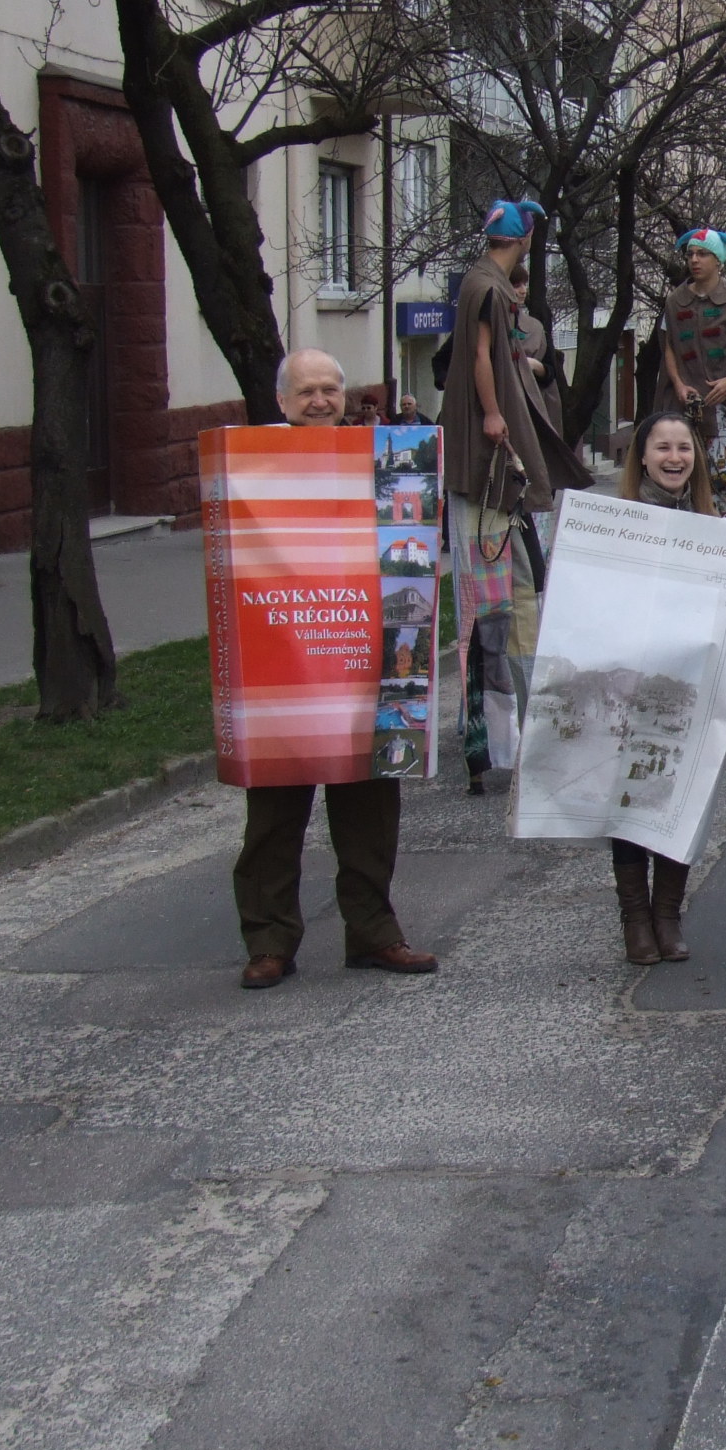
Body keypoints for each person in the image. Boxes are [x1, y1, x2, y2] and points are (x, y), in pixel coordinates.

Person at [236, 350, 440, 989]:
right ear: (282, 401)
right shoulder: (252, 463)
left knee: (370, 807)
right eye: (306, 391)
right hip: (284, 660)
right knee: (274, 812)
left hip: (362, 654)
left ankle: (374, 934)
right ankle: (269, 942)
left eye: (330, 389)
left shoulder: (376, 458)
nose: (320, 400)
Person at [442, 198, 592, 794]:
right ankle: (496, 741)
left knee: (522, 597)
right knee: (494, 608)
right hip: (489, 470)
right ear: (524, 238)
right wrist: (493, 414)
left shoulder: (487, 284)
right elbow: (480, 356)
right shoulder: (488, 288)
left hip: (503, 476)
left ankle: (527, 736)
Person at [606, 409, 724, 965]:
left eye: (684, 448)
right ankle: (635, 918)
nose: (675, 458)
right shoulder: (615, 523)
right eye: (663, 448)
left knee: (683, 795)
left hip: (692, 686)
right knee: (631, 795)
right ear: (643, 456)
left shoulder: (714, 527)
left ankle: (668, 914)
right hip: (631, 683)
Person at [658, 227, 726, 520]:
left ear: (718, 260)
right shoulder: (675, 301)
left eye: (702, 254)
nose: (694, 260)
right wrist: (678, 384)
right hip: (683, 407)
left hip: (724, 408)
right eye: (690, 254)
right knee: (682, 479)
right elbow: (669, 349)